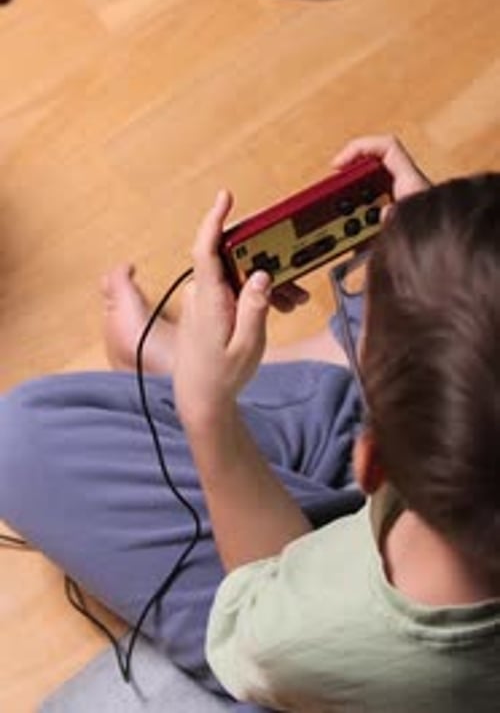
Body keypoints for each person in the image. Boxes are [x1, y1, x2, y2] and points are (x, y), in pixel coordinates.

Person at [1, 135, 499, 712]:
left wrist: (206, 407)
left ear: (373, 463)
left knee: (18, 441)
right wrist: (453, 263)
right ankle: (342, 350)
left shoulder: (315, 635)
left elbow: (257, 609)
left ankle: (222, 370)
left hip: (314, 617)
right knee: (440, 313)